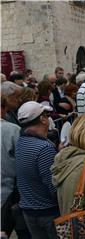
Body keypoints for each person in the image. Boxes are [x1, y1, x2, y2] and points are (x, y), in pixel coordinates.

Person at [15, 101, 59, 238]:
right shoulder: (44, 148)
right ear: (42, 119)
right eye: (46, 115)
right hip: (47, 213)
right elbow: (53, 186)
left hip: (29, 211)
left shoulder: (21, 142)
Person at [1, 95, 31, 238]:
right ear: (3, 109)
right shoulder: (11, 130)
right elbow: (24, 159)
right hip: (9, 196)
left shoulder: (11, 129)